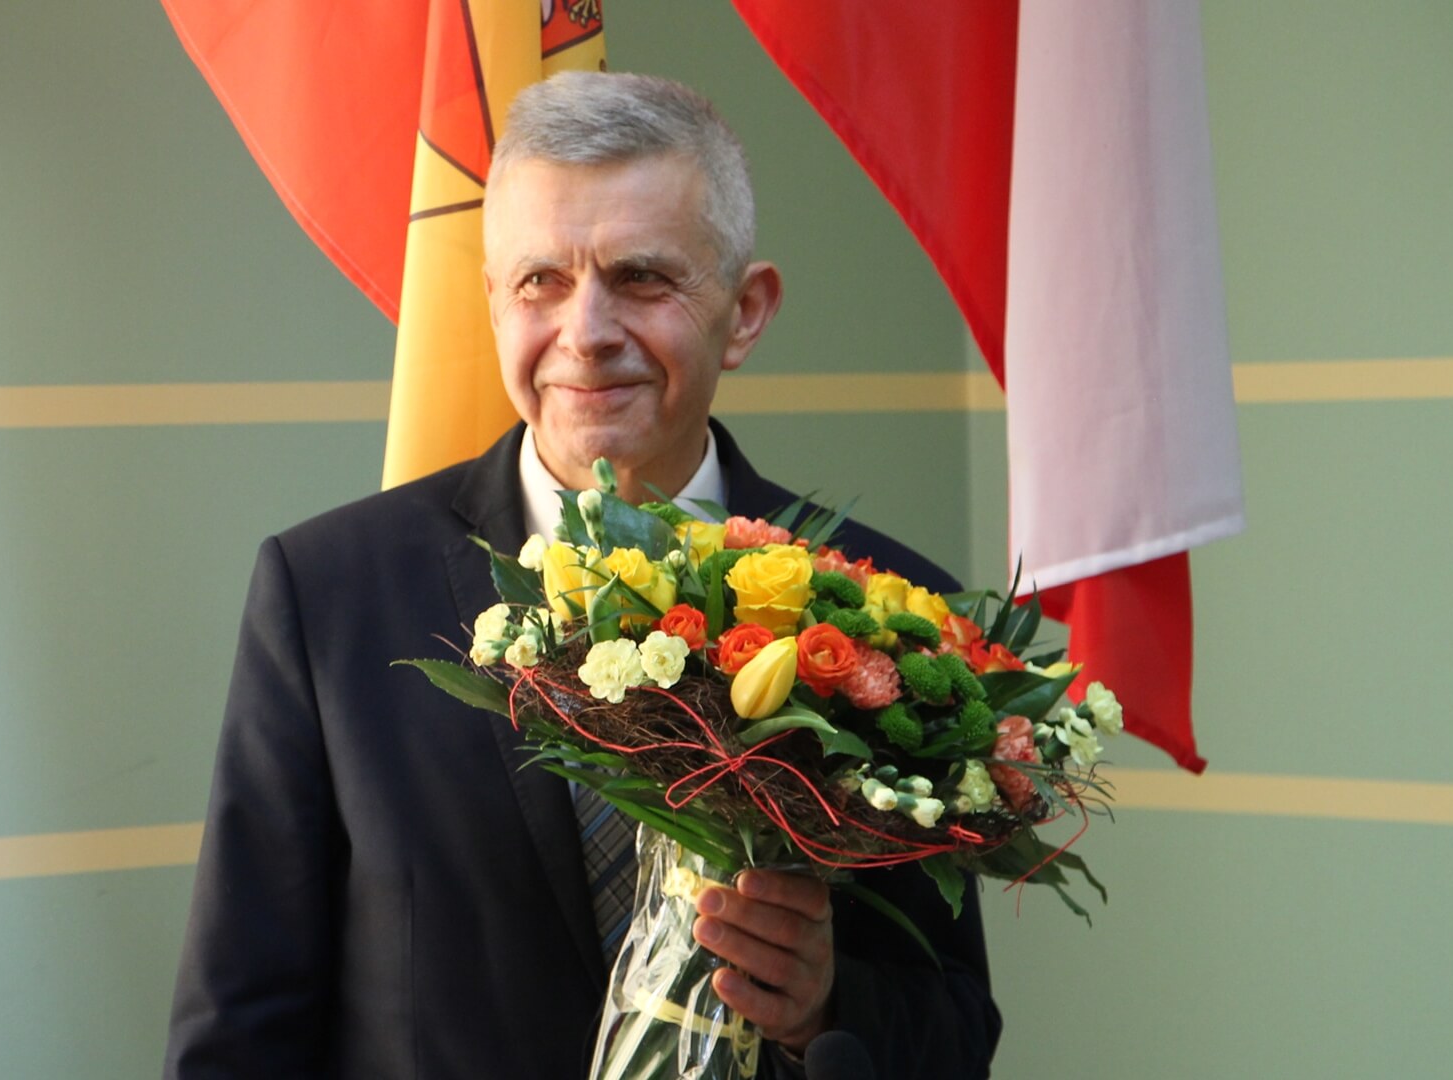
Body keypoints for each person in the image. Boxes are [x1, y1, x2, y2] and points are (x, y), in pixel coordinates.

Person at [164, 71, 999, 1078]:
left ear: (745, 312)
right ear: (491, 303)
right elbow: (238, 1033)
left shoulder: (890, 618)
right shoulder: (328, 596)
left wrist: (825, 1005)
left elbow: (956, 1035)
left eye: (641, 277)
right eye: (540, 282)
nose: (587, 333)